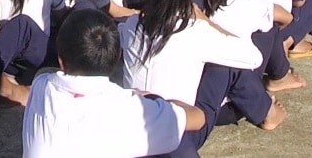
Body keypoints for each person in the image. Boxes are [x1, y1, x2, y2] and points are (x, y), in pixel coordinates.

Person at [119, 0, 283, 151]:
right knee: (230, 66)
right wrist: (206, 21)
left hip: (135, 122)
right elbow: (253, 58)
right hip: (182, 128)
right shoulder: (196, 30)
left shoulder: (131, 25)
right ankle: (267, 112)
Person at [22, 9, 204, 158]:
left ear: (61, 61)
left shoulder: (42, 85)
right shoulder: (127, 108)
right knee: (175, 139)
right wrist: (156, 99)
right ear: (117, 56)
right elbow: (198, 118)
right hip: (141, 112)